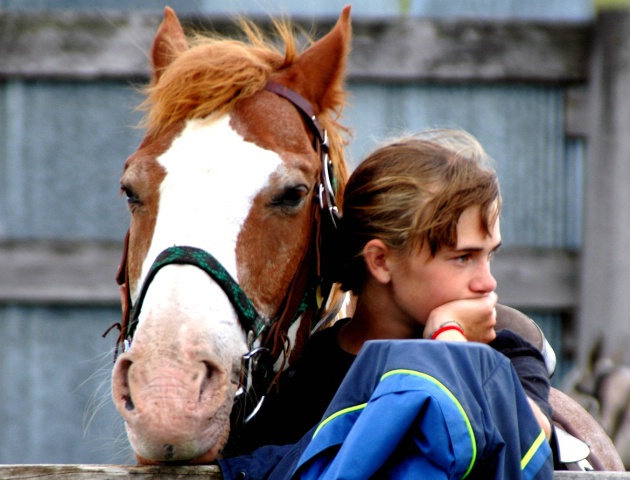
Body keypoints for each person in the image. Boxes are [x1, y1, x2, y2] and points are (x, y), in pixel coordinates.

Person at [218, 129, 554, 478]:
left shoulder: (508, 352)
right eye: (463, 258)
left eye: (489, 256)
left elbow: (529, 439)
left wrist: (449, 337)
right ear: (380, 261)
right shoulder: (307, 377)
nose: (488, 282)